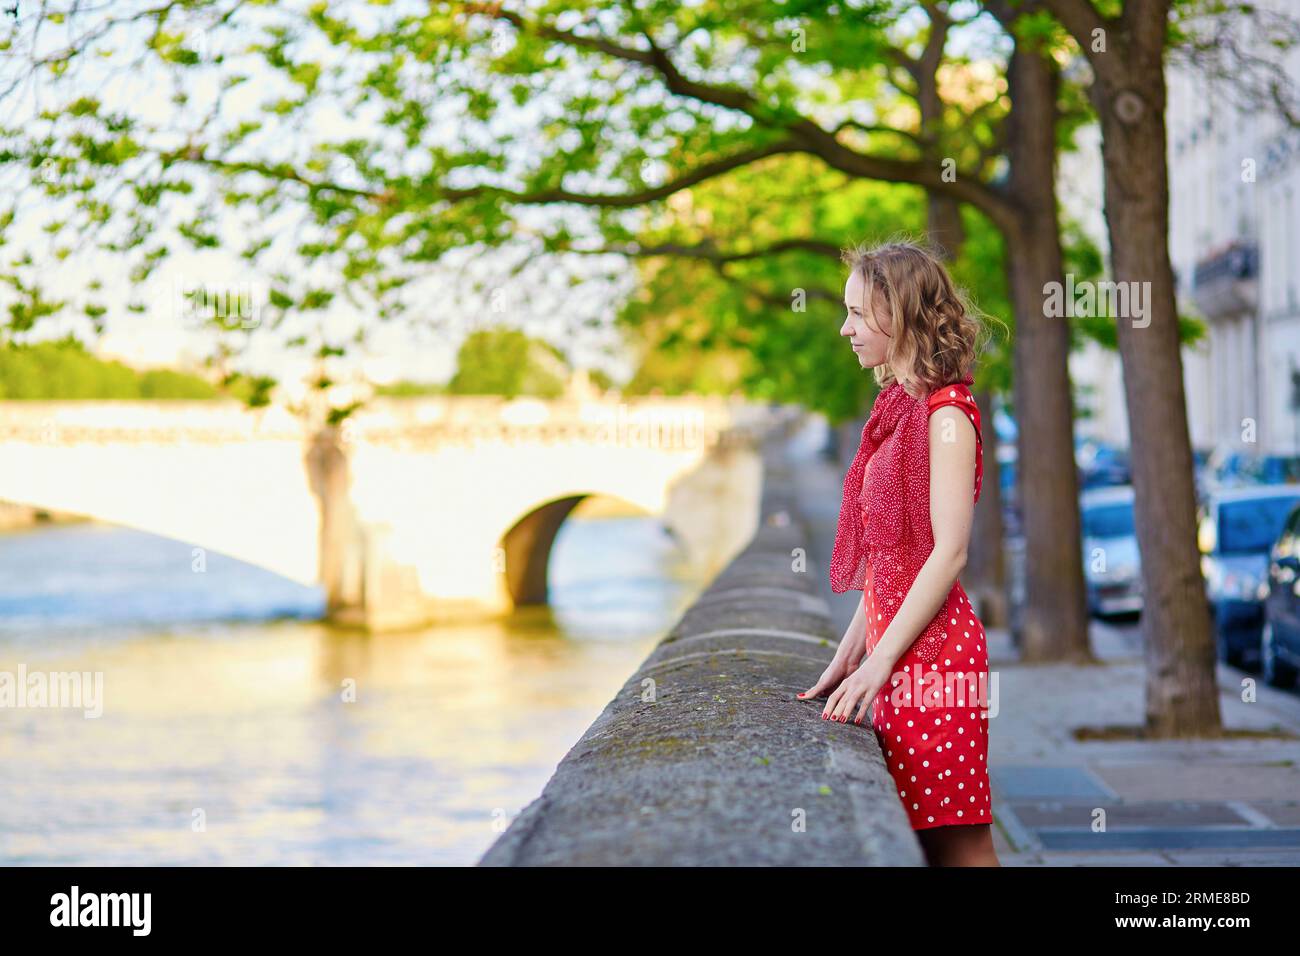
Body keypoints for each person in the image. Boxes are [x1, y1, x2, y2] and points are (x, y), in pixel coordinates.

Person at [798, 239, 1000, 867]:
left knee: (960, 850)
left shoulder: (946, 417)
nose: (845, 327)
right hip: (900, 654)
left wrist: (878, 662)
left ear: (901, 314)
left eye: (858, 313)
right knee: (925, 846)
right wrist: (849, 653)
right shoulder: (899, 409)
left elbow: (948, 554)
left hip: (936, 663)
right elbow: (893, 555)